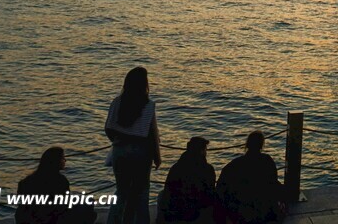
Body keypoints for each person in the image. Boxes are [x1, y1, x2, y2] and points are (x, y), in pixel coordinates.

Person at [105, 67, 162, 224]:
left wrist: (118, 143)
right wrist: (157, 157)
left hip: (119, 150)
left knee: (121, 192)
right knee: (141, 192)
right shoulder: (148, 105)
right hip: (141, 152)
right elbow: (153, 134)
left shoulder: (117, 102)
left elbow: (108, 128)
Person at [215, 131, 287, 224]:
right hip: (263, 210)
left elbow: (221, 187)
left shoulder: (235, 164)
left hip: (241, 211)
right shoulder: (267, 161)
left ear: (247, 145)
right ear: (261, 146)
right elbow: (273, 184)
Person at [15, 147, 95, 224]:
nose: (65, 160)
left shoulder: (26, 181)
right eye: (63, 158)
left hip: (26, 219)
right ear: (57, 161)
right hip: (51, 219)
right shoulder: (61, 181)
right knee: (88, 205)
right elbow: (63, 206)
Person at [157, 137, 216, 224]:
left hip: (175, 214)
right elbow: (210, 192)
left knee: (161, 194)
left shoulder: (176, 167)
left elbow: (168, 191)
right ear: (202, 151)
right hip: (197, 215)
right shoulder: (207, 169)